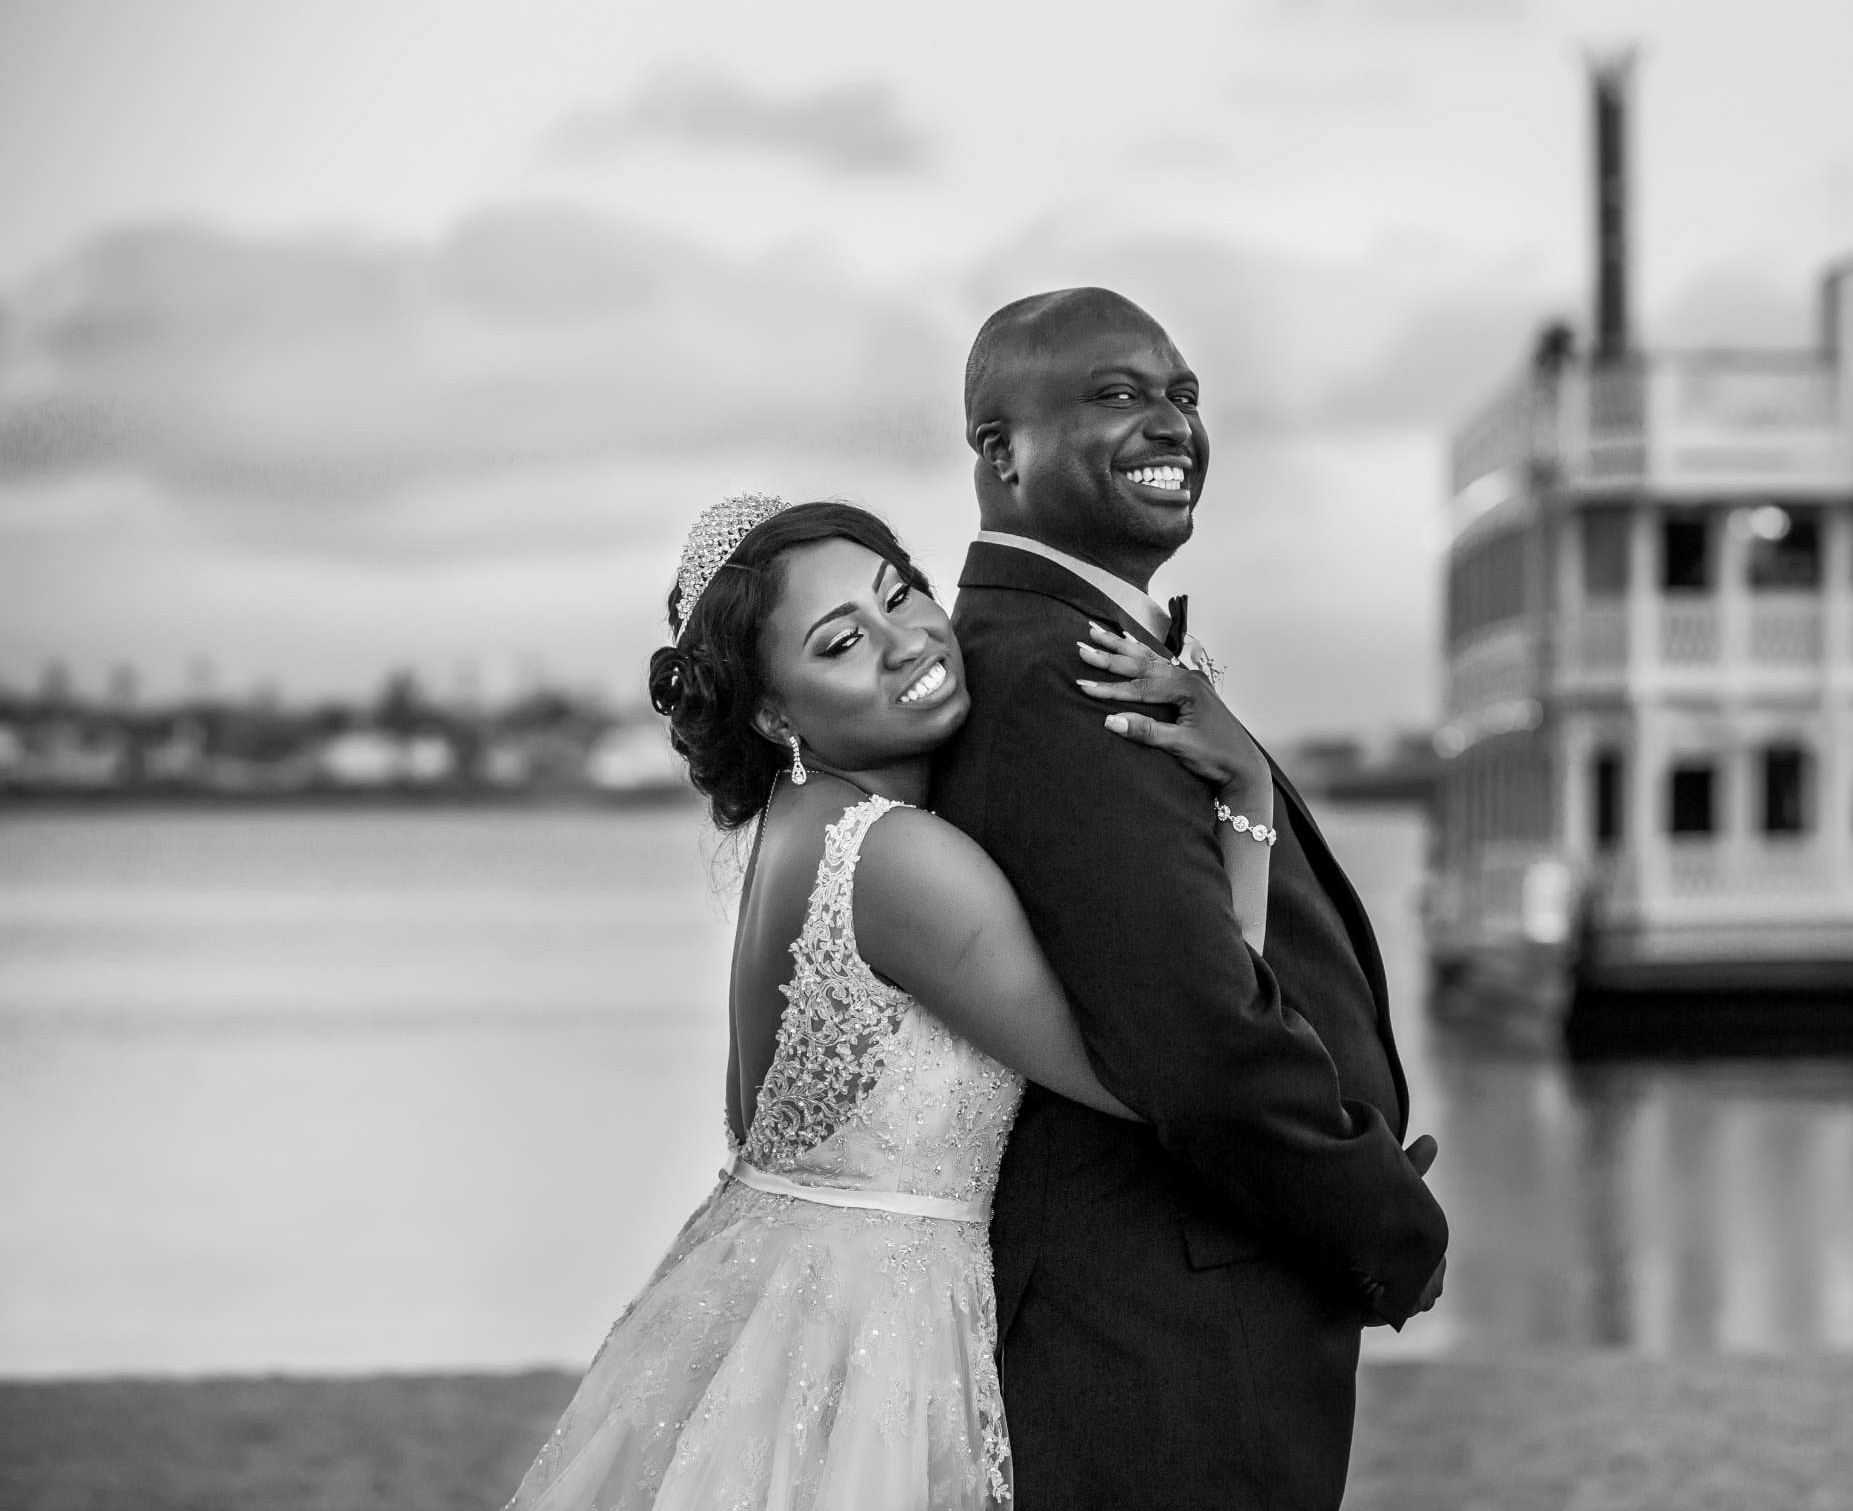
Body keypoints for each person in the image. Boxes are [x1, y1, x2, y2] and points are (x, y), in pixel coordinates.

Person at [506, 494, 1287, 1510]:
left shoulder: (797, 827)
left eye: (899, 593)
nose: (905, 640)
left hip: (761, 1302)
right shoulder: (896, 856)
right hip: (867, 1346)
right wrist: (1247, 797)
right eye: (841, 642)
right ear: (775, 713)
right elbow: (1168, 1068)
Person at [933, 288, 1450, 1511]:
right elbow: (1196, 1042)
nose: (1171, 424)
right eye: (1116, 395)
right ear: (1000, 454)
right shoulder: (1055, 678)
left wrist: (1247, 789)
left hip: (1199, 1311)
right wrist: (1386, 1224)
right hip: (1160, 1348)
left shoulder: (1079, 653)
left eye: (1183, 395)